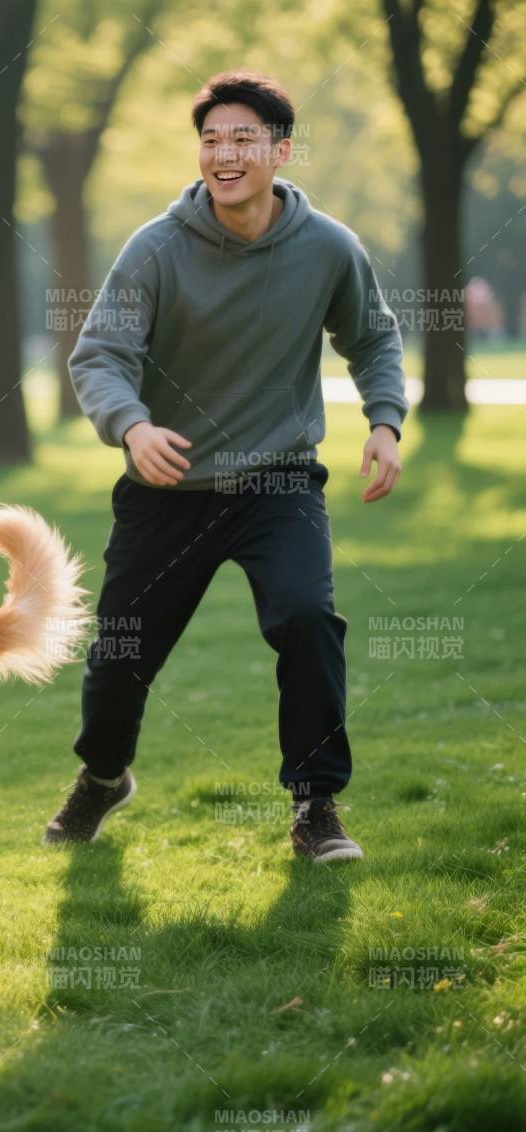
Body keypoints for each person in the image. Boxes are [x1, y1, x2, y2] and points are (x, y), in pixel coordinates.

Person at [45, 70, 407, 862]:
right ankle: (102, 778)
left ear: (280, 149)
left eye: (243, 138)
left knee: (307, 617)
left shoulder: (327, 248)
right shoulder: (158, 249)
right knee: (120, 655)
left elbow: (373, 338)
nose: (224, 153)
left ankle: (317, 807)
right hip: (168, 487)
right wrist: (133, 427)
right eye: (211, 140)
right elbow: (100, 356)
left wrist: (384, 423)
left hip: (278, 481)